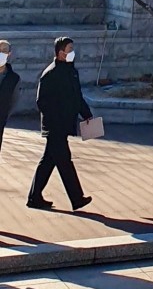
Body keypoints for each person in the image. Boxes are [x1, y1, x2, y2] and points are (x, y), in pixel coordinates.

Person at [27, 36, 93, 211]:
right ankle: (77, 198)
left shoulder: (72, 71)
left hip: (64, 126)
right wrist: (55, 120)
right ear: (60, 52)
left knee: (48, 161)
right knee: (64, 161)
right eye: (69, 49)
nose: (72, 52)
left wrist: (87, 115)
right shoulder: (50, 73)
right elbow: (41, 102)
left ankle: (34, 197)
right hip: (55, 127)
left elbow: (77, 96)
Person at [0, 39, 20, 152]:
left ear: (9, 54)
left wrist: (4, 116)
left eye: (4, 51)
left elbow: (14, 100)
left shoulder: (13, 78)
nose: (1, 53)